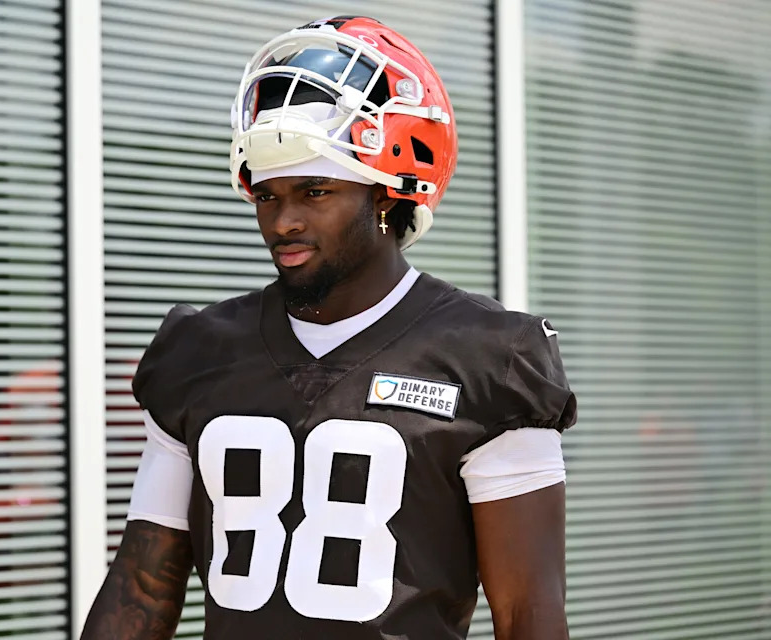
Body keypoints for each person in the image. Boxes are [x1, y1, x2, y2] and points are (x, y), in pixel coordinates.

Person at [81, 15, 577, 640]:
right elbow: (143, 583)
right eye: (268, 196)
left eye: (315, 191)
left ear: (388, 195)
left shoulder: (492, 359)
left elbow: (528, 614)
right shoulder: (199, 349)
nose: (283, 221)